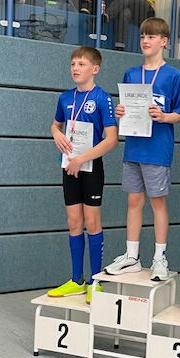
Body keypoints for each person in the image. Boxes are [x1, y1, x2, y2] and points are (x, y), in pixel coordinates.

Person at [104, 17, 180, 281]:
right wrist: (120, 111)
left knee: (158, 203)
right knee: (134, 201)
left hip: (157, 149)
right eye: (142, 36)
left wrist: (164, 116)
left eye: (151, 36)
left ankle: (160, 257)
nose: (145, 41)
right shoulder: (131, 74)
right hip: (134, 148)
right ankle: (132, 256)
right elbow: (126, 108)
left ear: (164, 41)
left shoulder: (173, 75)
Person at [48, 46, 118, 303]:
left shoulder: (102, 98)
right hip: (69, 166)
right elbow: (55, 124)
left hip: (90, 168)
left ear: (95, 69)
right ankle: (76, 280)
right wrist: (56, 134)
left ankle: (95, 282)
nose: (75, 68)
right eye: (73, 64)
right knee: (74, 222)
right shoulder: (65, 98)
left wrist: (82, 158)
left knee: (92, 222)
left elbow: (111, 140)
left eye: (81, 64)